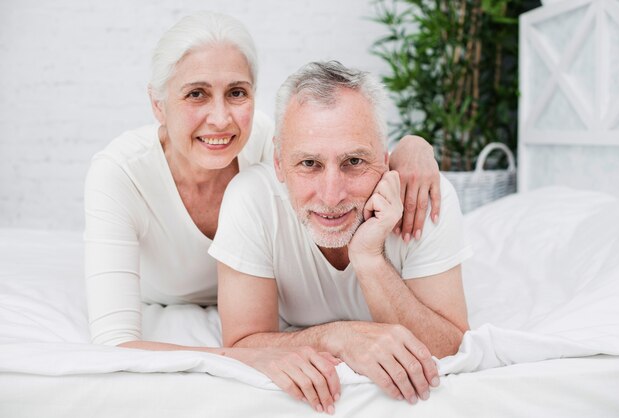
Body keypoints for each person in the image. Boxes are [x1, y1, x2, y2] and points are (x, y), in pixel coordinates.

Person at [84, 11, 441, 414]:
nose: (220, 118)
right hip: (167, 298)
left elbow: (350, 148)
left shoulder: (271, 145)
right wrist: (246, 355)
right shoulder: (118, 173)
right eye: (196, 94)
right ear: (158, 105)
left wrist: (414, 146)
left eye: (237, 93)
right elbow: (114, 346)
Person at [213, 61, 472, 412]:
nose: (331, 195)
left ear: (384, 159)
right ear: (278, 163)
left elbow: (451, 346)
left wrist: (369, 258)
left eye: (353, 162)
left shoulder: (423, 197)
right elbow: (244, 343)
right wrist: (338, 336)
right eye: (309, 164)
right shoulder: (251, 199)